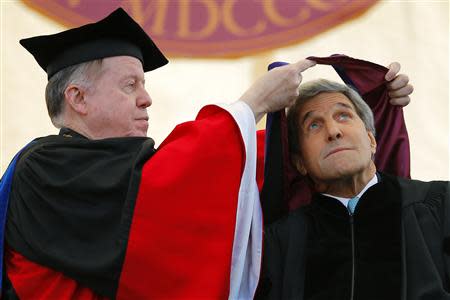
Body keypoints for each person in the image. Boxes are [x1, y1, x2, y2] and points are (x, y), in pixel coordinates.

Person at [0, 8, 413, 300]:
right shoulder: (45, 168)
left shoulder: (114, 174)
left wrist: (367, 109)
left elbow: (268, 170)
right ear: (78, 98)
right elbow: (164, 194)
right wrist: (251, 106)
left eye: (143, 85)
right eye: (130, 86)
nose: (146, 100)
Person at [257, 78, 449, 300]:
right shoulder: (281, 242)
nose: (333, 131)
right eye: (314, 125)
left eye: (343, 115)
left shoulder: (440, 204)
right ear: (300, 163)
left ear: (371, 140)